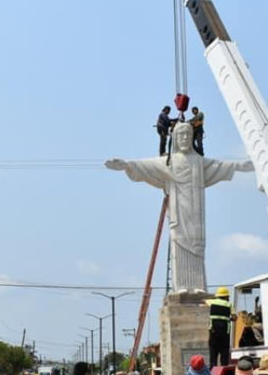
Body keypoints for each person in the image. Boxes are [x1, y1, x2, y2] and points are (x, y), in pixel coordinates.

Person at [106, 122, 254, 293]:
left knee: (197, 247)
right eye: (181, 135)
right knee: (180, 245)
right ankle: (182, 286)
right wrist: (127, 164)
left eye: (188, 135)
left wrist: (240, 166)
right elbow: (146, 166)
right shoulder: (169, 162)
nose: (184, 138)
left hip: (196, 213)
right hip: (178, 212)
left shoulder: (198, 162)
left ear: (192, 138)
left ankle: (198, 286)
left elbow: (220, 166)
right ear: (175, 138)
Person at [206, 286, 233, 367]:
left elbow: (204, 301)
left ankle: (212, 373)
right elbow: (234, 317)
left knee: (213, 355)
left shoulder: (212, 302)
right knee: (224, 356)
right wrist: (229, 318)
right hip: (225, 334)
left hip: (213, 333)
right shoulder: (229, 304)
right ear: (226, 296)